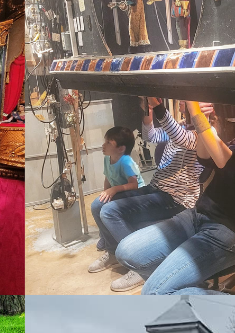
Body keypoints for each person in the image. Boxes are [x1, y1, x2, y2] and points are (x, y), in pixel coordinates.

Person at [115, 102, 235, 294]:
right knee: (125, 252)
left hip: (228, 230)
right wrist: (204, 120)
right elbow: (205, 158)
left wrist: (195, 111)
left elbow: (228, 161)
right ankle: (184, 286)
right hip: (197, 216)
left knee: (154, 293)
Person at [88, 97, 207, 292]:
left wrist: (159, 106)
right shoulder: (178, 127)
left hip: (177, 198)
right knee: (97, 205)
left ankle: (142, 267)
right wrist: (148, 113)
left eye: (189, 100)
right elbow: (151, 135)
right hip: (157, 188)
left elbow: (181, 138)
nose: (183, 102)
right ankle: (111, 251)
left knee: (110, 212)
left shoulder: (204, 135)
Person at [88, 126, 140, 270]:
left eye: (108, 143)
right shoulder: (107, 159)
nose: (103, 145)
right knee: (97, 205)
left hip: (135, 194)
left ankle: (114, 248)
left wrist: (114, 190)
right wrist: (106, 193)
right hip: (118, 192)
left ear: (121, 149)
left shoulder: (126, 162)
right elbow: (108, 178)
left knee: (100, 206)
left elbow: (134, 185)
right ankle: (108, 242)